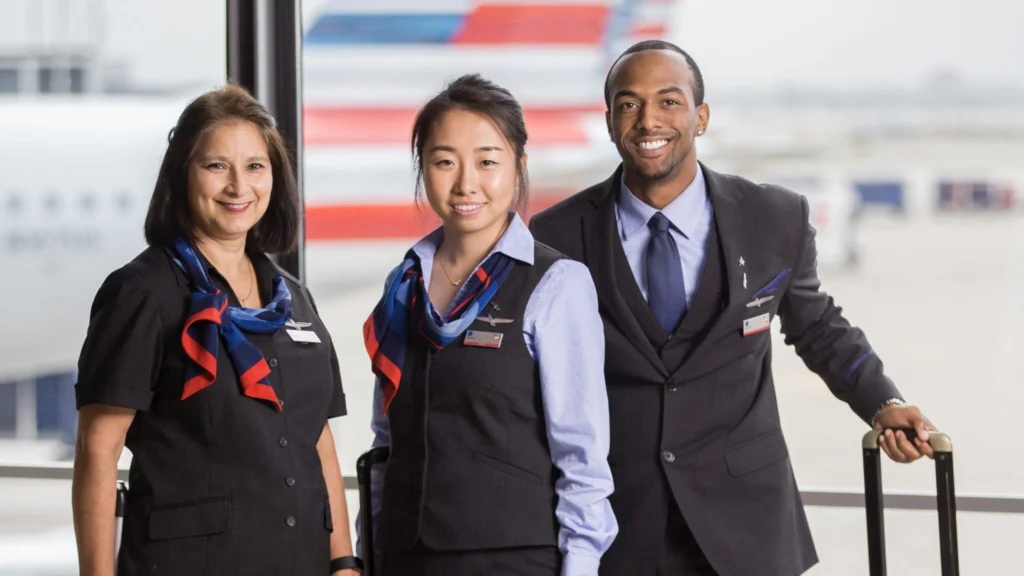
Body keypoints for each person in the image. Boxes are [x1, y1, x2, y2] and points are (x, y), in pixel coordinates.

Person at [528, 40, 938, 576]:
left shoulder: (774, 216)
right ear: (609, 122)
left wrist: (884, 403)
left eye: (669, 101)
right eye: (629, 104)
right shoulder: (556, 235)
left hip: (747, 523)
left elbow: (818, 327)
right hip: (615, 523)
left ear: (701, 117)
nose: (648, 119)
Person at [71, 84, 361, 576]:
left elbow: (317, 440)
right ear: (181, 174)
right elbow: (97, 451)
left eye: (254, 166)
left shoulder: (292, 298)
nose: (238, 187)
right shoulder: (142, 293)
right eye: (215, 166)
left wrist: (344, 562)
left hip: (301, 561)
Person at [361, 73, 618, 576]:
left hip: (511, 558)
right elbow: (386, 439)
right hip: (404, 556)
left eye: (487, 161)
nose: (465, 183)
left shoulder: (556, 284)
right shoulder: (404, 282)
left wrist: (581, 565)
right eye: (444, 161)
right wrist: (367, 548)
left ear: (519, 166)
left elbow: (582, 456)